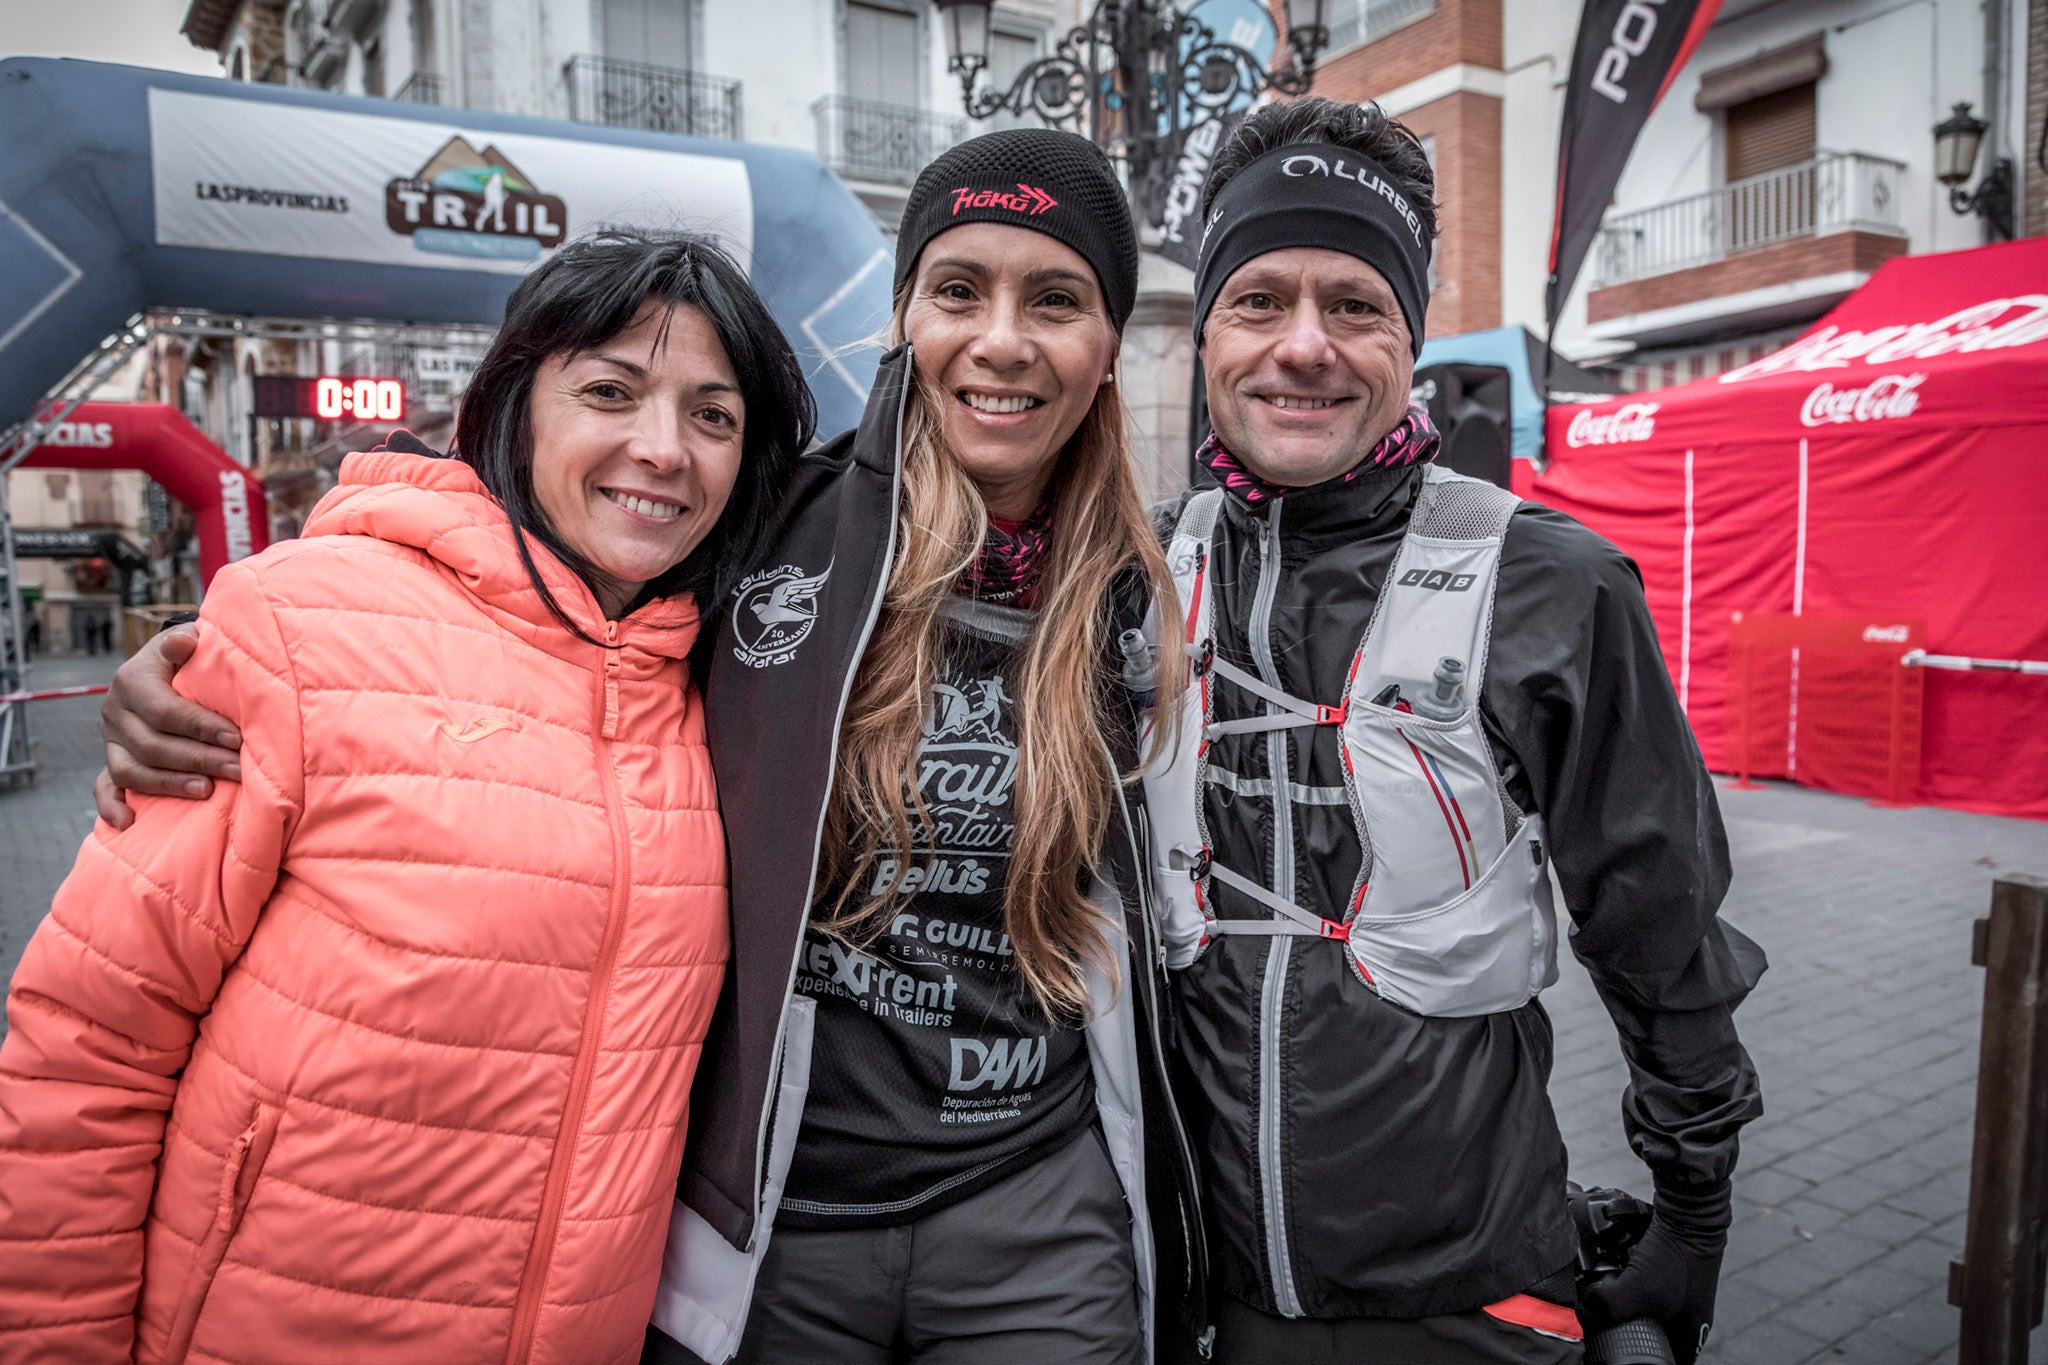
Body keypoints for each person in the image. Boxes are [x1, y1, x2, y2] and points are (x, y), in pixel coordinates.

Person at [91, 131, 1210, 1365]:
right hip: (776, 1217)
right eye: (957, 290)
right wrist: (241, 656)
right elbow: (540, 571)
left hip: (1036, 1206)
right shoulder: (770, 534)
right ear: (903, 321)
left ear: (1110, 346)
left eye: (1054, 300)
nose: (1001, 339)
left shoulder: (1156, 595)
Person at [0, 228, 811, 1363]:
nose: (662, 448)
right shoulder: (302, 623)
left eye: (713, 416)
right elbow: (91, 1042)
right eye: (610, 392)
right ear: (513, 406)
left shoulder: (732, 683)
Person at [1138, 98, 1765, 1363]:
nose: (1301, 346)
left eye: (1354, 305)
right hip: (1177, 1278)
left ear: (1407, 340)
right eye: (1258, 300)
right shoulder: (1138, 567)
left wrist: (1691, 1212)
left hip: (1457, 1292)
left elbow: (1658, 923)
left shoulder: (1551, 581)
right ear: (1206, 330)